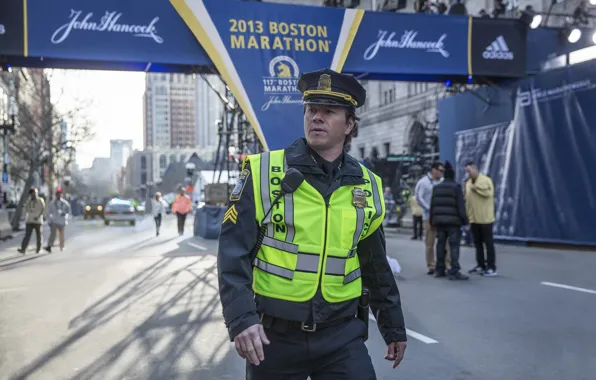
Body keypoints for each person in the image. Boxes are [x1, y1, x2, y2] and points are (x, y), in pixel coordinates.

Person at [217, 69, 407, 379]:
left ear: (349, 125)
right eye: (311, 109)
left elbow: (374, 265)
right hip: (273, 339)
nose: (316, 117)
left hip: (342, 337)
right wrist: (241, 319)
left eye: (328, 111)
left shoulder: (368, 185)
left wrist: (393, 326)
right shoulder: (264, 171)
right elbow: (232, 252)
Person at [429, 161, 469, 280]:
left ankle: (439, 269)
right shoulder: (456, 187)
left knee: (440, 245)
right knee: (454, 246)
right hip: (453, 223)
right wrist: (465, 221)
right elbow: (461, 206)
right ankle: (454, 270)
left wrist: (432, 221)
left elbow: (433, 206)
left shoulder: (436, 188)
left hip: (439, 222)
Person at [415, 162, 450, 275]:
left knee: (445, 241)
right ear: (433, 170)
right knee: (430, 242)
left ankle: (446, 264)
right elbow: (419, 197)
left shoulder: (442, 181)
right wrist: (429, 208)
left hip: (441, 215)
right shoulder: (423, 182)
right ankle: (431, 265)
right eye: (440, 170)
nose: (441, 172)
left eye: (442, 171)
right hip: (429, 215)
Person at [464, 161, 497, 276]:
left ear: (475, 169)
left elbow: (489, 194)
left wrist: (476, 188)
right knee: (477, 243)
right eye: (466, 172)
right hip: (474, 218)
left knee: (488, 243)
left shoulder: (486, 180)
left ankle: (491, 267)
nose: (468, 174)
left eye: (469, 171)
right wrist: (467, 218)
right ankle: (481, 264)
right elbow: (467, 201)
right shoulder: (467, 183)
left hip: (486, 218)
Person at [18, 188, 46, 254]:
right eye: (32, 193)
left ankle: (39, 248)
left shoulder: (40, 200)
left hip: (38, 221)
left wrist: (39, 216)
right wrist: (25, 218)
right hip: (30, 220)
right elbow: (26, 210)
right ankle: (23, 248)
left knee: (39, 235)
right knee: (27, 235)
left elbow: (43, 209)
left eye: (35, 193)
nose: (34, 194)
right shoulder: (29, 201)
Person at [44, 188, 71, 253]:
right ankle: (49, 246)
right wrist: (49, 220)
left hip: (62, 221)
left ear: (61, 195)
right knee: (53, 234)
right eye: (57, 194)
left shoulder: (65, 203)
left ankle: (62, 246)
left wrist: (65, 216)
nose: (58, 196)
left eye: (60, 194)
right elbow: (48, 212)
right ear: (56, 195)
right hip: (55, 221)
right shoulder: (52, 203)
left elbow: (68, 212)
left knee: (61, 234)